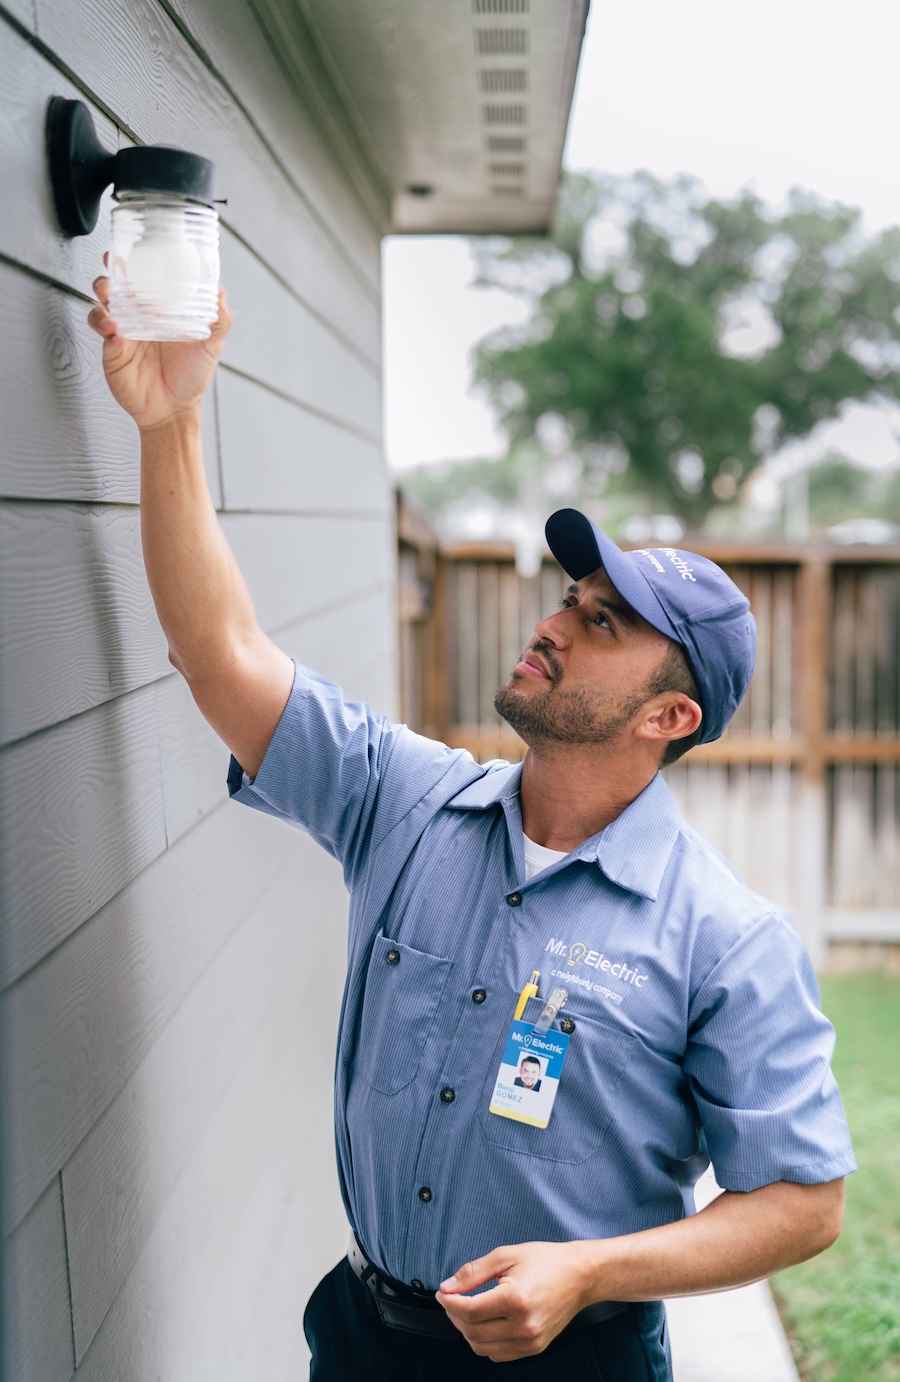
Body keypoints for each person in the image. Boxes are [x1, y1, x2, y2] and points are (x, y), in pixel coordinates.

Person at [88, 283, 855, 1382]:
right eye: (569, 598)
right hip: (362, 1339)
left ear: (668, 717)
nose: (551, 623)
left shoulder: (724, 938)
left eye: (600, 624)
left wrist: (593, 1269)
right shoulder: (406, 802)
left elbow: (804, 1201)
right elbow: (219, 651)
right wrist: (171, 422)